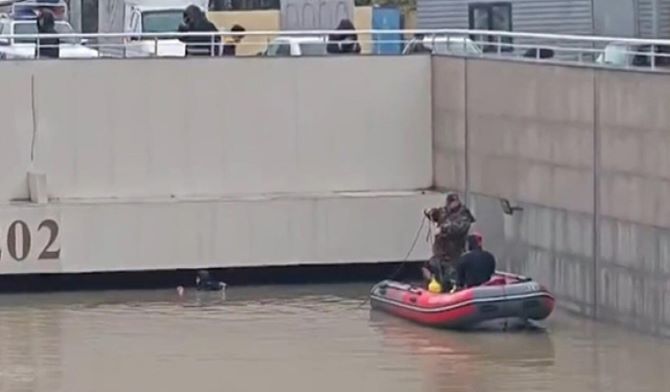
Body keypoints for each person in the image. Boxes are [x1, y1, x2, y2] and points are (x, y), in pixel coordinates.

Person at [421, 193, 476, 292]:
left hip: (454, 251)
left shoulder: (463, 214)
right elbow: (436, 214)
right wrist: (429, 212)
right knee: (430, 268)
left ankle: (453, 290)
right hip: (440, 250)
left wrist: (443, 229)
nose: (451, 204)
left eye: (454, 202)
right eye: (450, 202)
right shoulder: (445, 211)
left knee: (451, 274)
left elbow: (459, 228)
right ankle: (434, 289)